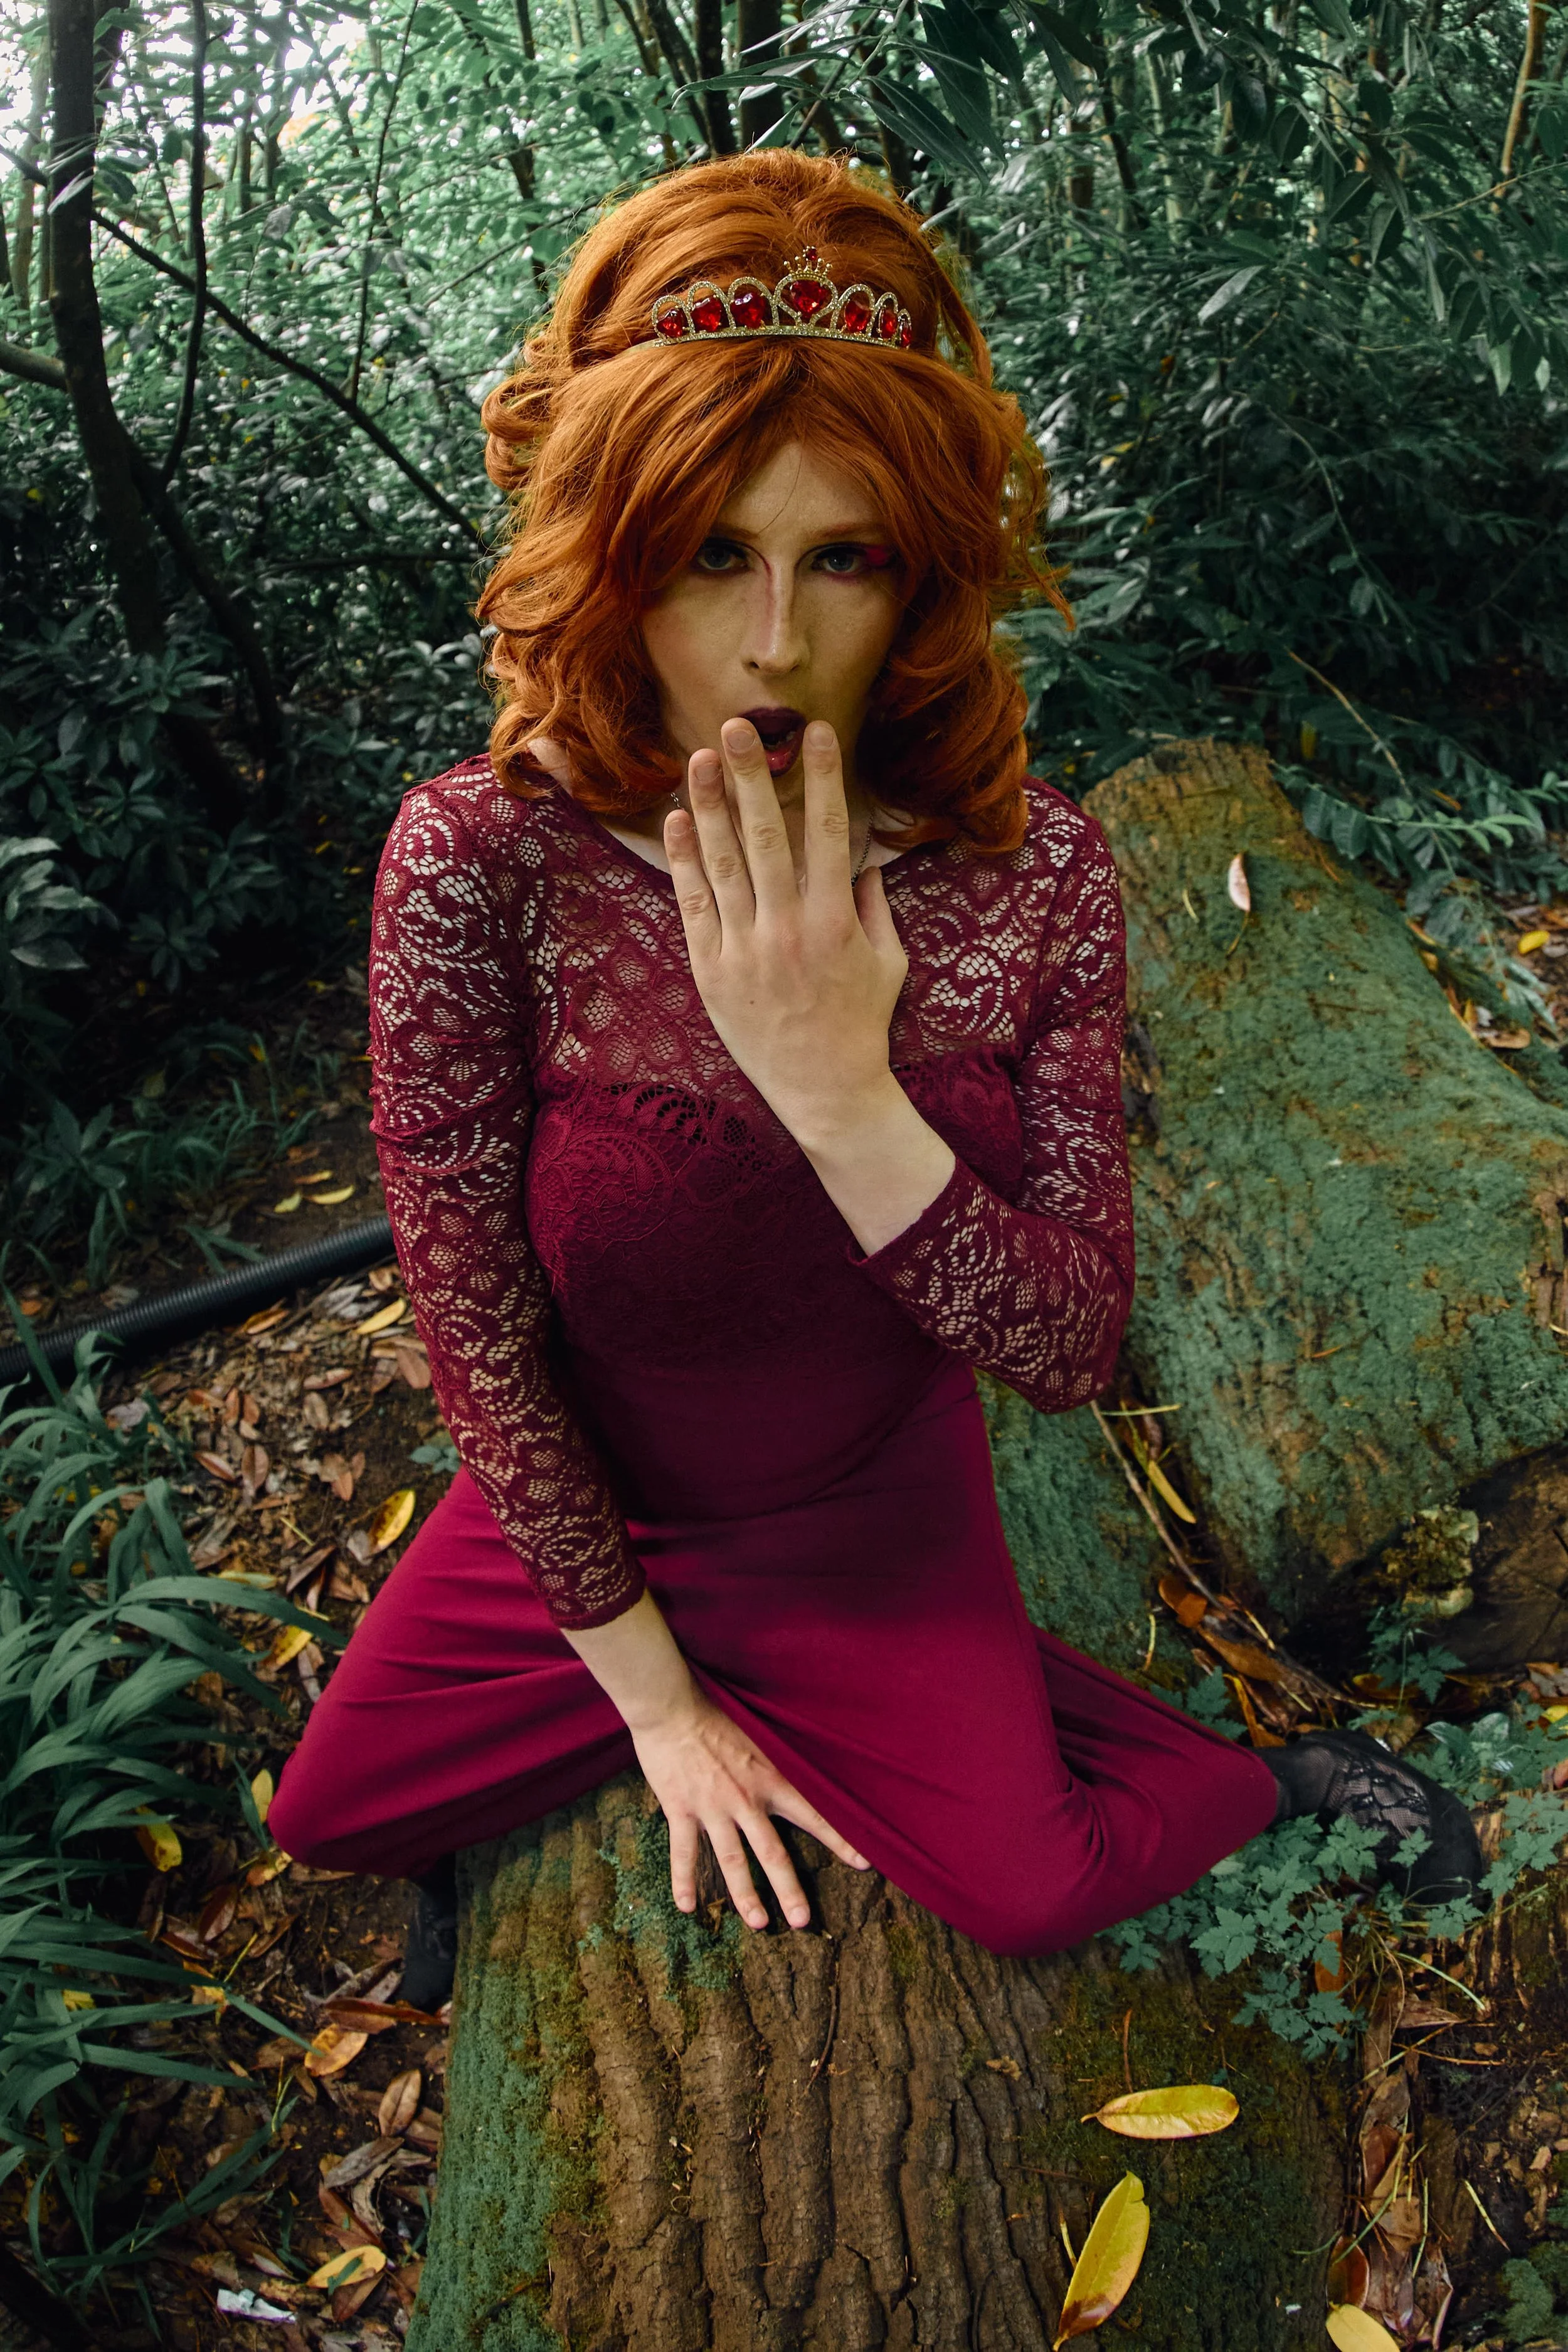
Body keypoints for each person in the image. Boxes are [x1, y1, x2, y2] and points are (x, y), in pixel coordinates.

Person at [270, 151, 1480, 2008]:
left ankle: (1271, 1781)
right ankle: (610, 1736)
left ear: (916, 576)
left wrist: (837, 1086)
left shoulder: (1037, 874)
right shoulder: (476, 860)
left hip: (867, 1501)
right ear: (612, 554)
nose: (773, 641)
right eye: (707, 556)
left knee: (1028, 1885)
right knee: (329, 1808)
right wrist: (657, 1698)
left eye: (839, 557)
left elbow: (1070, 1348)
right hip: (593, 1482)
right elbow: (471, 1322)